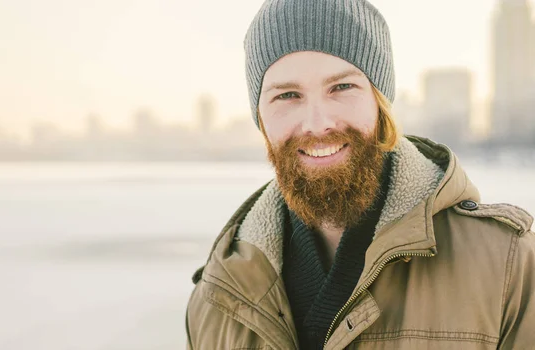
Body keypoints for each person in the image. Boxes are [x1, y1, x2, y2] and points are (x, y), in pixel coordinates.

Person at [185, 0, 535, 349]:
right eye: (287, 95)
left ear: (379, 101)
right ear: (261, 116)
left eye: (342, 88)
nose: (318, 123)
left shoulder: (507, 267)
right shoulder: (218, 298)